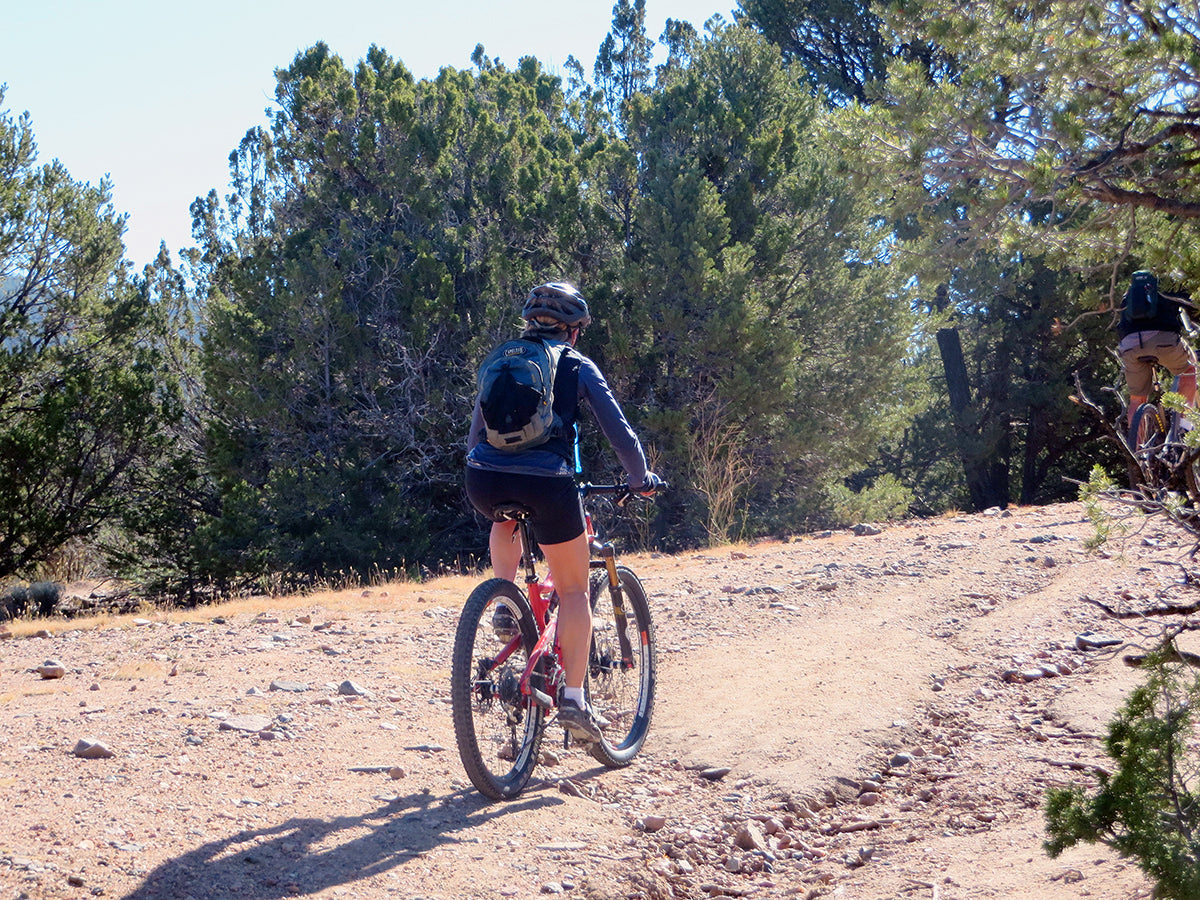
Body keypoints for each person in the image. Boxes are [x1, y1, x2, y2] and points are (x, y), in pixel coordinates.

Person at [465, 281, 661, 743]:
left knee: (505, 516)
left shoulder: (499, 359)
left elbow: (475, 435)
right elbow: (620, 432)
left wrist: (490, 472)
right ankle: (574, 698)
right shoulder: (576, 363)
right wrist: (641, 477)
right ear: (572, 331)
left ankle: (503, 600)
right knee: (573, 590)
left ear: (530, 324)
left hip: (484, 479)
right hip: (548, 481)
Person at [1117, 270, 1198, 428]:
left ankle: (1137, 447)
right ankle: (1184, 428)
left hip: (1130, 347)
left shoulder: (1129, 296)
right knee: (1190, 370)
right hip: (1163, 342)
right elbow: (1193, 308)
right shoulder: (1169, 287)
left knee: (1137, 399)